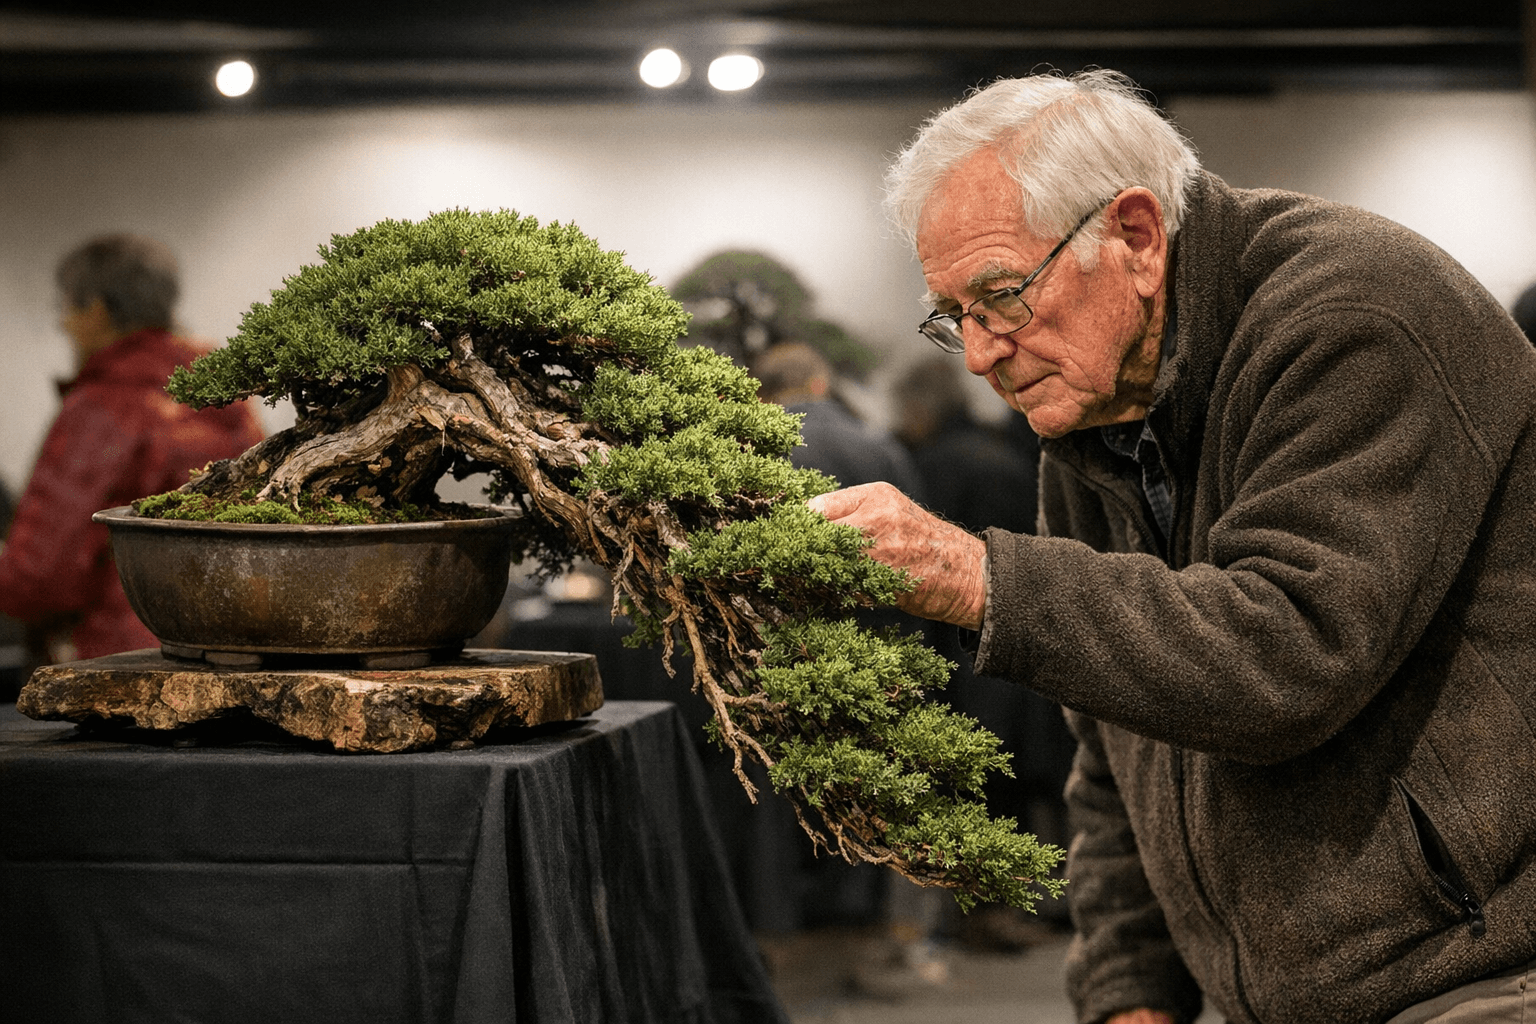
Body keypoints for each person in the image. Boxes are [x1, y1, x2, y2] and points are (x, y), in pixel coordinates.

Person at [809, 70, 1536, 1024]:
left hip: (1472, 976)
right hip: (1279, 994)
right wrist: (1127, 989)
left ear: (1138, 238)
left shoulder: (1356, 315)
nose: (981, 353)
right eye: (955, 317)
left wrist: (972, 574)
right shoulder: (1094, 413)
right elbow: (1111, 754)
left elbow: (1287, 651)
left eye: (1001, 297)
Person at [0, 234, 264, 664]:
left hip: (130, 661)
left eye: (66, 307)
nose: (63, 323)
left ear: (97, 311)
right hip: (239, 647)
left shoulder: (104, 405)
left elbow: (42, 576)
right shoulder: (227, 393)